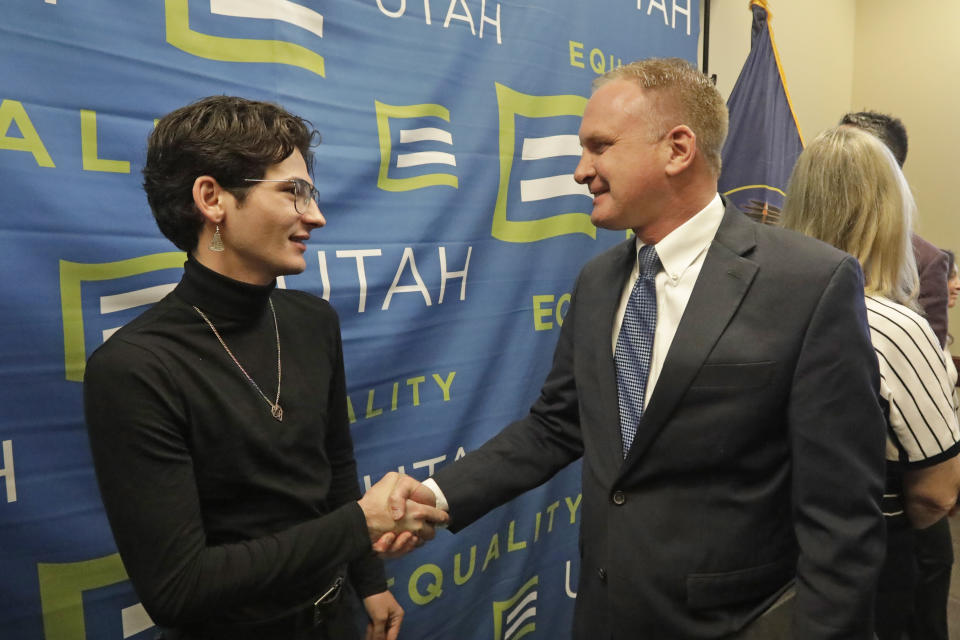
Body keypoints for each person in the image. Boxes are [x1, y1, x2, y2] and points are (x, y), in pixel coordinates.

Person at [386, 58, 887, 638]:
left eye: (599, 147)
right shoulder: (598, 281)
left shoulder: (808, 283)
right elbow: (556, 426)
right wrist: (437, 495)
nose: (581, 171)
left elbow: (842, 514)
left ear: (678, 149)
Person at [83, 96, 447, 640]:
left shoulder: (311, 320)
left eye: (311, 193)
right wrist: (360, 524)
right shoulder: (136, 367)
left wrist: (370, 581)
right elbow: (177, 589)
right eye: (292, 192)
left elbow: (335, 469)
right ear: (212, 199)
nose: (316, 216)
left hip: (335, 618)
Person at [780, 125, 960, 640]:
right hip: (867, 563)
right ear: (890, 213)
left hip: (767, 553)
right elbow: (937, 494)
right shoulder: (895, 326)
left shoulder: (757, 306)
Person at [841, 109, 955, 640]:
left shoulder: (924, 260)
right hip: (832, 507)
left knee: (921, 608)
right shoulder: (789, 262)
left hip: (900, 482)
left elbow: (926, 376)